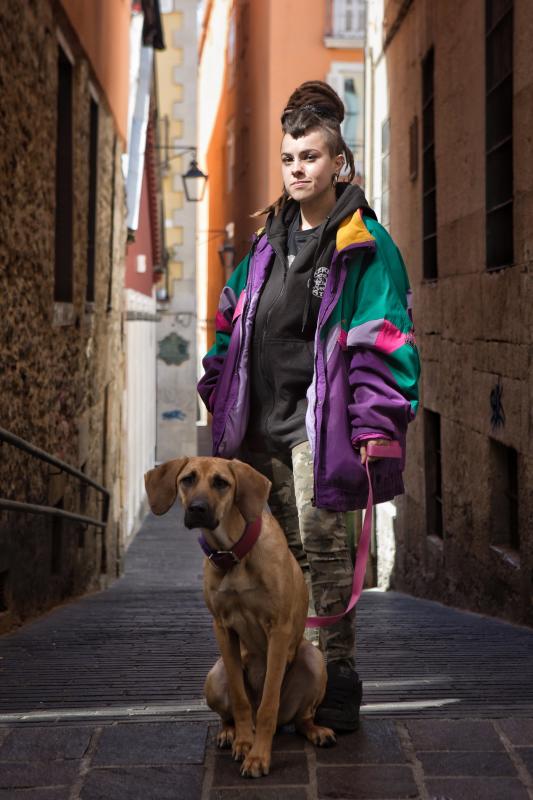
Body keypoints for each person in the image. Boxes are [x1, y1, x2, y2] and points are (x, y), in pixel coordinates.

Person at [197, 80, 420, 732]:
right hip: (258, 434)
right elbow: (229, 319)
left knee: (323, 561)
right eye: (289, 159)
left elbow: (383, 337)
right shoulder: (266, 244)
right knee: (273, 564)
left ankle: (336, 681)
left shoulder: (362, 245)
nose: (297, 169)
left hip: (320, 432)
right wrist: (217, 386)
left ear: (337, 164)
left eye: (311, 157)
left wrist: (375, 424)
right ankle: (284, 688)